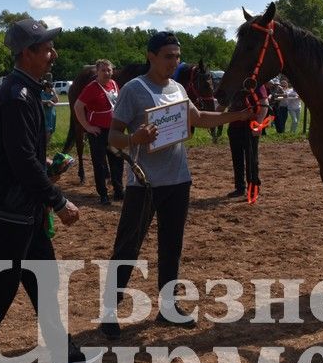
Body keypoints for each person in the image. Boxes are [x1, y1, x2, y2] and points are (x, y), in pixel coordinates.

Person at [0, 18, 97, 363]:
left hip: (22, 204)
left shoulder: (24, 90)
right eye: (47, 49)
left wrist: (47, 169)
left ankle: (61, 348)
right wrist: (57, 199)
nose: (53, 55)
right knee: (5, 279)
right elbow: (21, 161)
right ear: (27, 53)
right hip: (11, 206)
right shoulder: (16, 96)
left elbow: (23, 155)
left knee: (43, 276)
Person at [99, 32, 252, 339]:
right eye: (168, 56)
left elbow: (199, 119)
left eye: (177, 56)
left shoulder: (179, 88)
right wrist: (135, 139)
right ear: (151, 56)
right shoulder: (134, 89)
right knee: (128, 247)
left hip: (178, 180)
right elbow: (112, 138)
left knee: (172, 247)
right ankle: (109, 312)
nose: (174, 62)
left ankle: (168, 308)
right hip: (145, 182)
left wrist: (240, 115)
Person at [74, 58, 124, 205]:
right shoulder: (91, 88)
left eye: (109, 70)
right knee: (100, 164)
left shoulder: (114, 84)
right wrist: (87, 127)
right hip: (98, 132)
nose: (107, 73)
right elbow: (78, 106)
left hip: (113, 130)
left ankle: (118, 190)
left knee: (117, 161)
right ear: (97, 71)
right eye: (103, 70)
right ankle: (103, 194)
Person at [226, 80, 268, 198]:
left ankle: (253, 187)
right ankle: (239, 187)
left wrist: (258, 124)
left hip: (249, 126)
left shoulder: (255, 83)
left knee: (251, 159)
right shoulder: (232, 83)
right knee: (237, 158)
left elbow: (264, 103)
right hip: (234, 126)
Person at [41, 80, 60, 144]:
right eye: (50, 87)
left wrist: (54, 92)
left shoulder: (52, 94)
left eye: (52, 87)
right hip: (45, 116)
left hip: (52, 116)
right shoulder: (42, 93)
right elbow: (42, 101)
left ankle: (47, 146)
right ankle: (44, 147)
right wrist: (49, 101)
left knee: (50, 132)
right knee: (47, 131)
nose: (51, 89)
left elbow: (57, 100)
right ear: (46, 87)